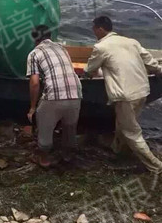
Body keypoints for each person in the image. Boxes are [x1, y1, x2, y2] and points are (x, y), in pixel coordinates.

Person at [84, 15, 162, 174]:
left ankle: (155, 166)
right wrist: (159, 71)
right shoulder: (131, 41)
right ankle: (118, 151)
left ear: (100, 29)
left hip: (125, 96)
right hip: (142, 90)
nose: (93, 32)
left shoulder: (101, 47)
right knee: (123, 124)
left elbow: (89, 70)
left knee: (132, 132)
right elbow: (150, 61)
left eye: (94, 29)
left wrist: (89, 75)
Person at [27, 25, 82, 167]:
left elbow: (34, 83)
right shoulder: (62, 48)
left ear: (35, 39)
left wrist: (32, 108)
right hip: (76, 94)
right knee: (70, 127)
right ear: (49, 36)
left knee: (44, 123)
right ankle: (68, 155)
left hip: (54, 97)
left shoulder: (34, 53)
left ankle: (44, 159)